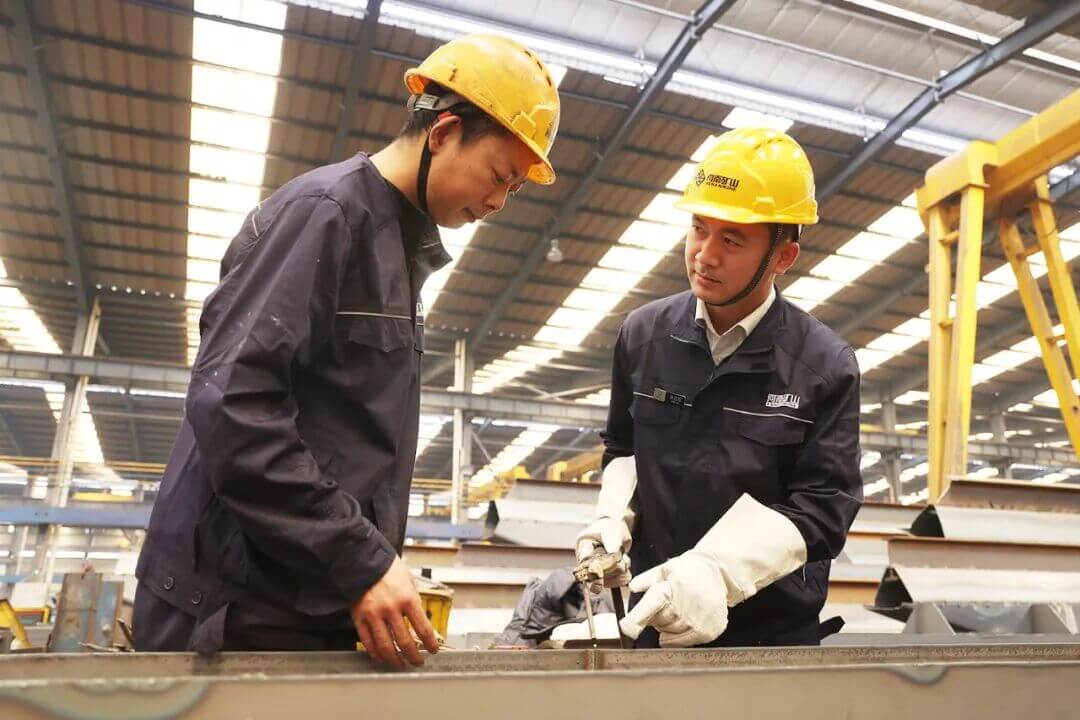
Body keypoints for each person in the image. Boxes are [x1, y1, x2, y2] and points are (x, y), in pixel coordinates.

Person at [132, 33, 561, 667]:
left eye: (515, 190)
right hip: (231, 606)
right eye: (500, 176)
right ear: (443, 132)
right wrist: (360, 560)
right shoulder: (325, 214)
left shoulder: (397, 248)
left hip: (305, 598)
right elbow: (233, 404)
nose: (498, 202)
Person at [576, 127, 863, 648]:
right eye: (698, 229)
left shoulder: (823, 366)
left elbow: (824, 508)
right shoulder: (643, 336)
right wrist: (614, 516)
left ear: (783, 257)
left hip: (771, 641)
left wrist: (717, 571)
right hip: (655, 619)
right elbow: (624, 447)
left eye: (731, 240)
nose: (704, 255)